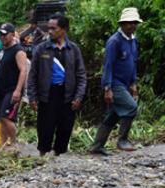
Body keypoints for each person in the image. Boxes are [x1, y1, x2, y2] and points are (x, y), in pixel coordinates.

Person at [27, 13, 86, 156]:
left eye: (54, 28)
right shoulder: (42, 49)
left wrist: (78, 96)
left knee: (65, 128)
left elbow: (81, 75)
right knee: (45, 127)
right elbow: (33, 75)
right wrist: (32, 97)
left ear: (64, 29)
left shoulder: (73, 49)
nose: (50, 31)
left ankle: (59, 156)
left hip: (67, 95)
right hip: (47, 95)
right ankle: (42, 155)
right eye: (49, 28)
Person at [90, 7, 142, 155]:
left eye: (134, 22)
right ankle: (122, 140)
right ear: (122, 24)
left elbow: (133, 62)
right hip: (115, 83)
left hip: (125, 84)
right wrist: (107, 88)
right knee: (131, 107)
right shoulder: (114, 41)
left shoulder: (133, 40)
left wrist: (133, 83)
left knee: (113, 115)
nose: (132, 25)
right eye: (129, 23)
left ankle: (97, 146)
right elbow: (108, 66)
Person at [0, 23, 28, 147]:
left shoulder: (19, 51)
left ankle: (13, 145)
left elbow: (23, 71)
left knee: (5, 117)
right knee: (2, 120)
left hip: (12, 90)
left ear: (13, 35)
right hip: (1, 90)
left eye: (5, 34)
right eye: (0, 35)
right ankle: (2, 146)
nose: (2, 37)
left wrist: (18, 91)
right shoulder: (2, 52)